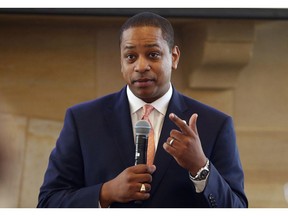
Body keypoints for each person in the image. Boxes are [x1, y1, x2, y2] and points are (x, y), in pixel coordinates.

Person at [37, 12, 248, 208]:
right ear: (121, 62)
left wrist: (201, 168)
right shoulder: (83, 120)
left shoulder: (215, 124)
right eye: (130, 57)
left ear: (173, 57)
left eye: (153, 54)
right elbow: (48, 202)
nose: (140, 66)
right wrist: (105, 192)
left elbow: (238, 208)